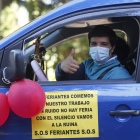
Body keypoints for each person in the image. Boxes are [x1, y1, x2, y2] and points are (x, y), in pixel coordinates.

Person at [55, 25, 132, 81]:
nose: (98, 48)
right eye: (94, 44)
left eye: (104, 44)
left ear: (112, 48)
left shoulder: (120, 75)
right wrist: (61, 68)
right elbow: (65, 82)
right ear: (89, 46)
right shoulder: (87, 65)